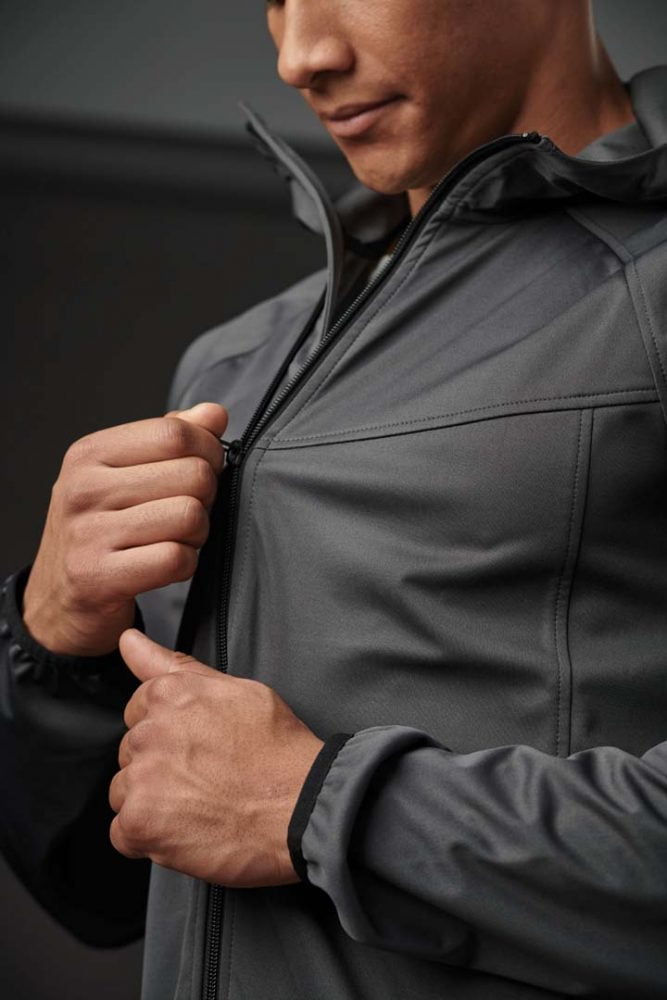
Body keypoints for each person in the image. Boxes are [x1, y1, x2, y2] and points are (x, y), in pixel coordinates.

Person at [1, 1, 667, 997]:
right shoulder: (237, 359)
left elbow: (278, 810)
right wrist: (55, 641)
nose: (299, 55)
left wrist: (322, 808)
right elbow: (101, 892)